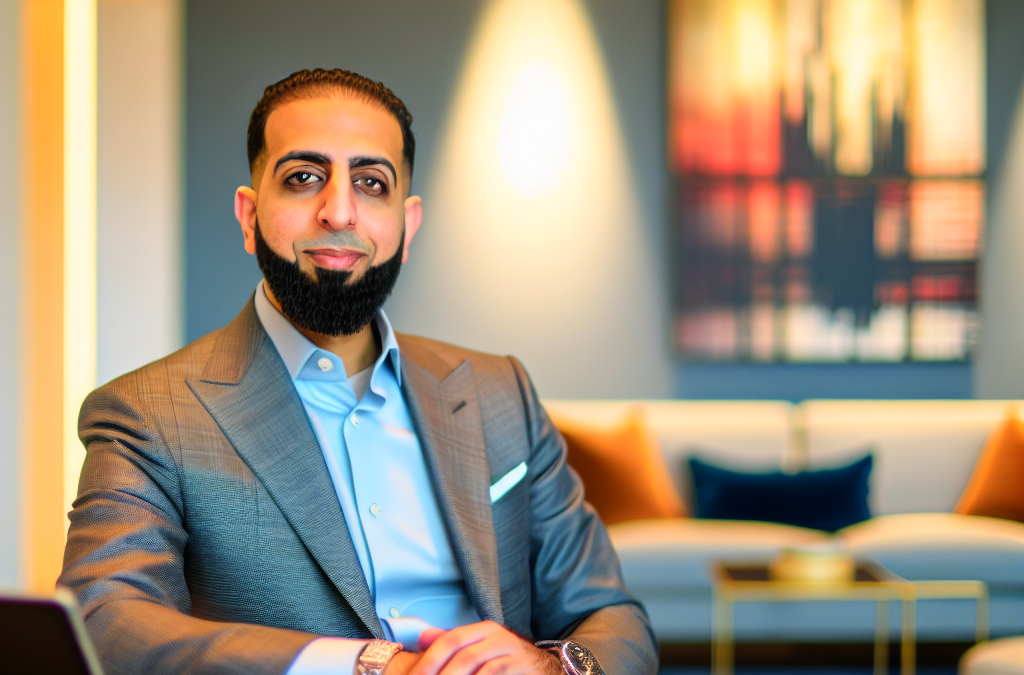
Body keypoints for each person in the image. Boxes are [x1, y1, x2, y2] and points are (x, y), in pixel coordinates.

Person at [59, 68, 658, 675]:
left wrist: (554, 668)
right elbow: (104, 617)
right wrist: (371, 666)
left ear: (407, 224)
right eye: (303, 178)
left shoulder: (500, 392)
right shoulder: (146, 413)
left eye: (372, 183)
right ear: (248, 215)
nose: (339, 211)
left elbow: (610, 615)